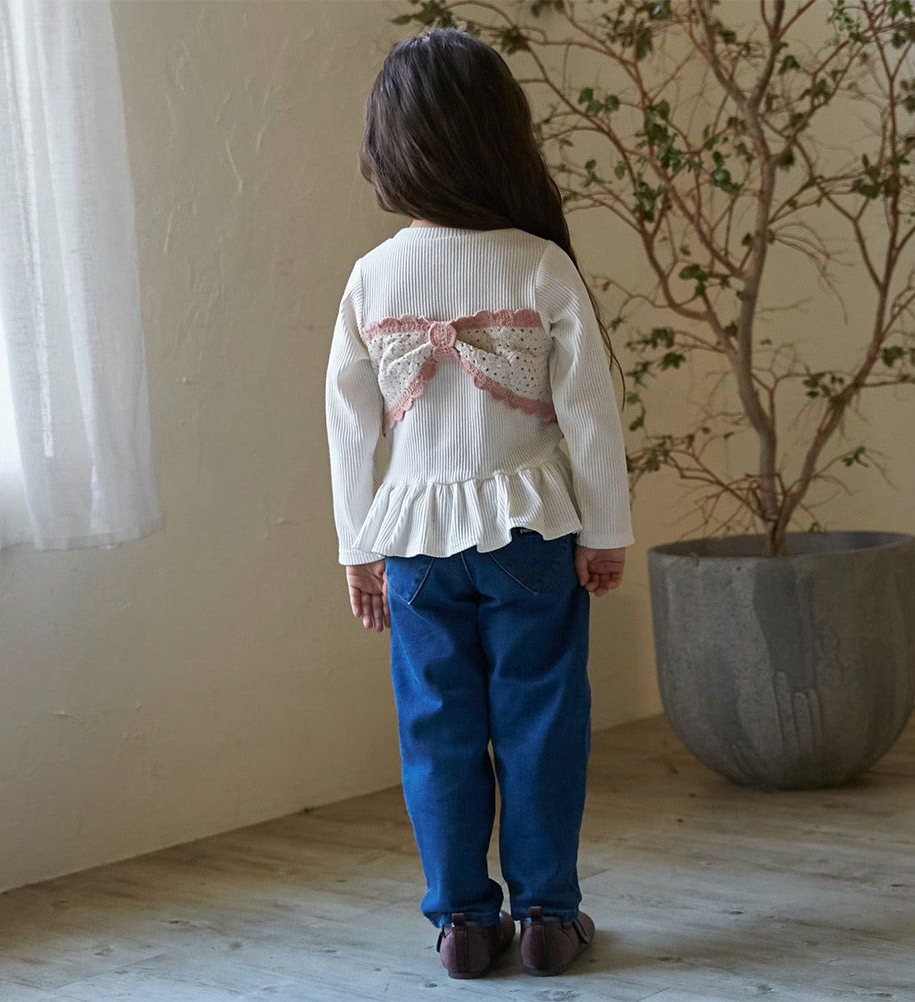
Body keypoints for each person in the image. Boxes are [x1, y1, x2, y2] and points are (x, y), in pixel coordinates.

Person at [324, 25, 635, 980]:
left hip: (415, 545)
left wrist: (357, 548)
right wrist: (607, 530)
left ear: (389, 147)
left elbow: (347, 428)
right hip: (532, 535)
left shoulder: (373, 276)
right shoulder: (539, 264)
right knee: (542, 723)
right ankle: (547, 915)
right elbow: (591, 413)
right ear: (504, 137)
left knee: (437, 730)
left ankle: (462, 920)